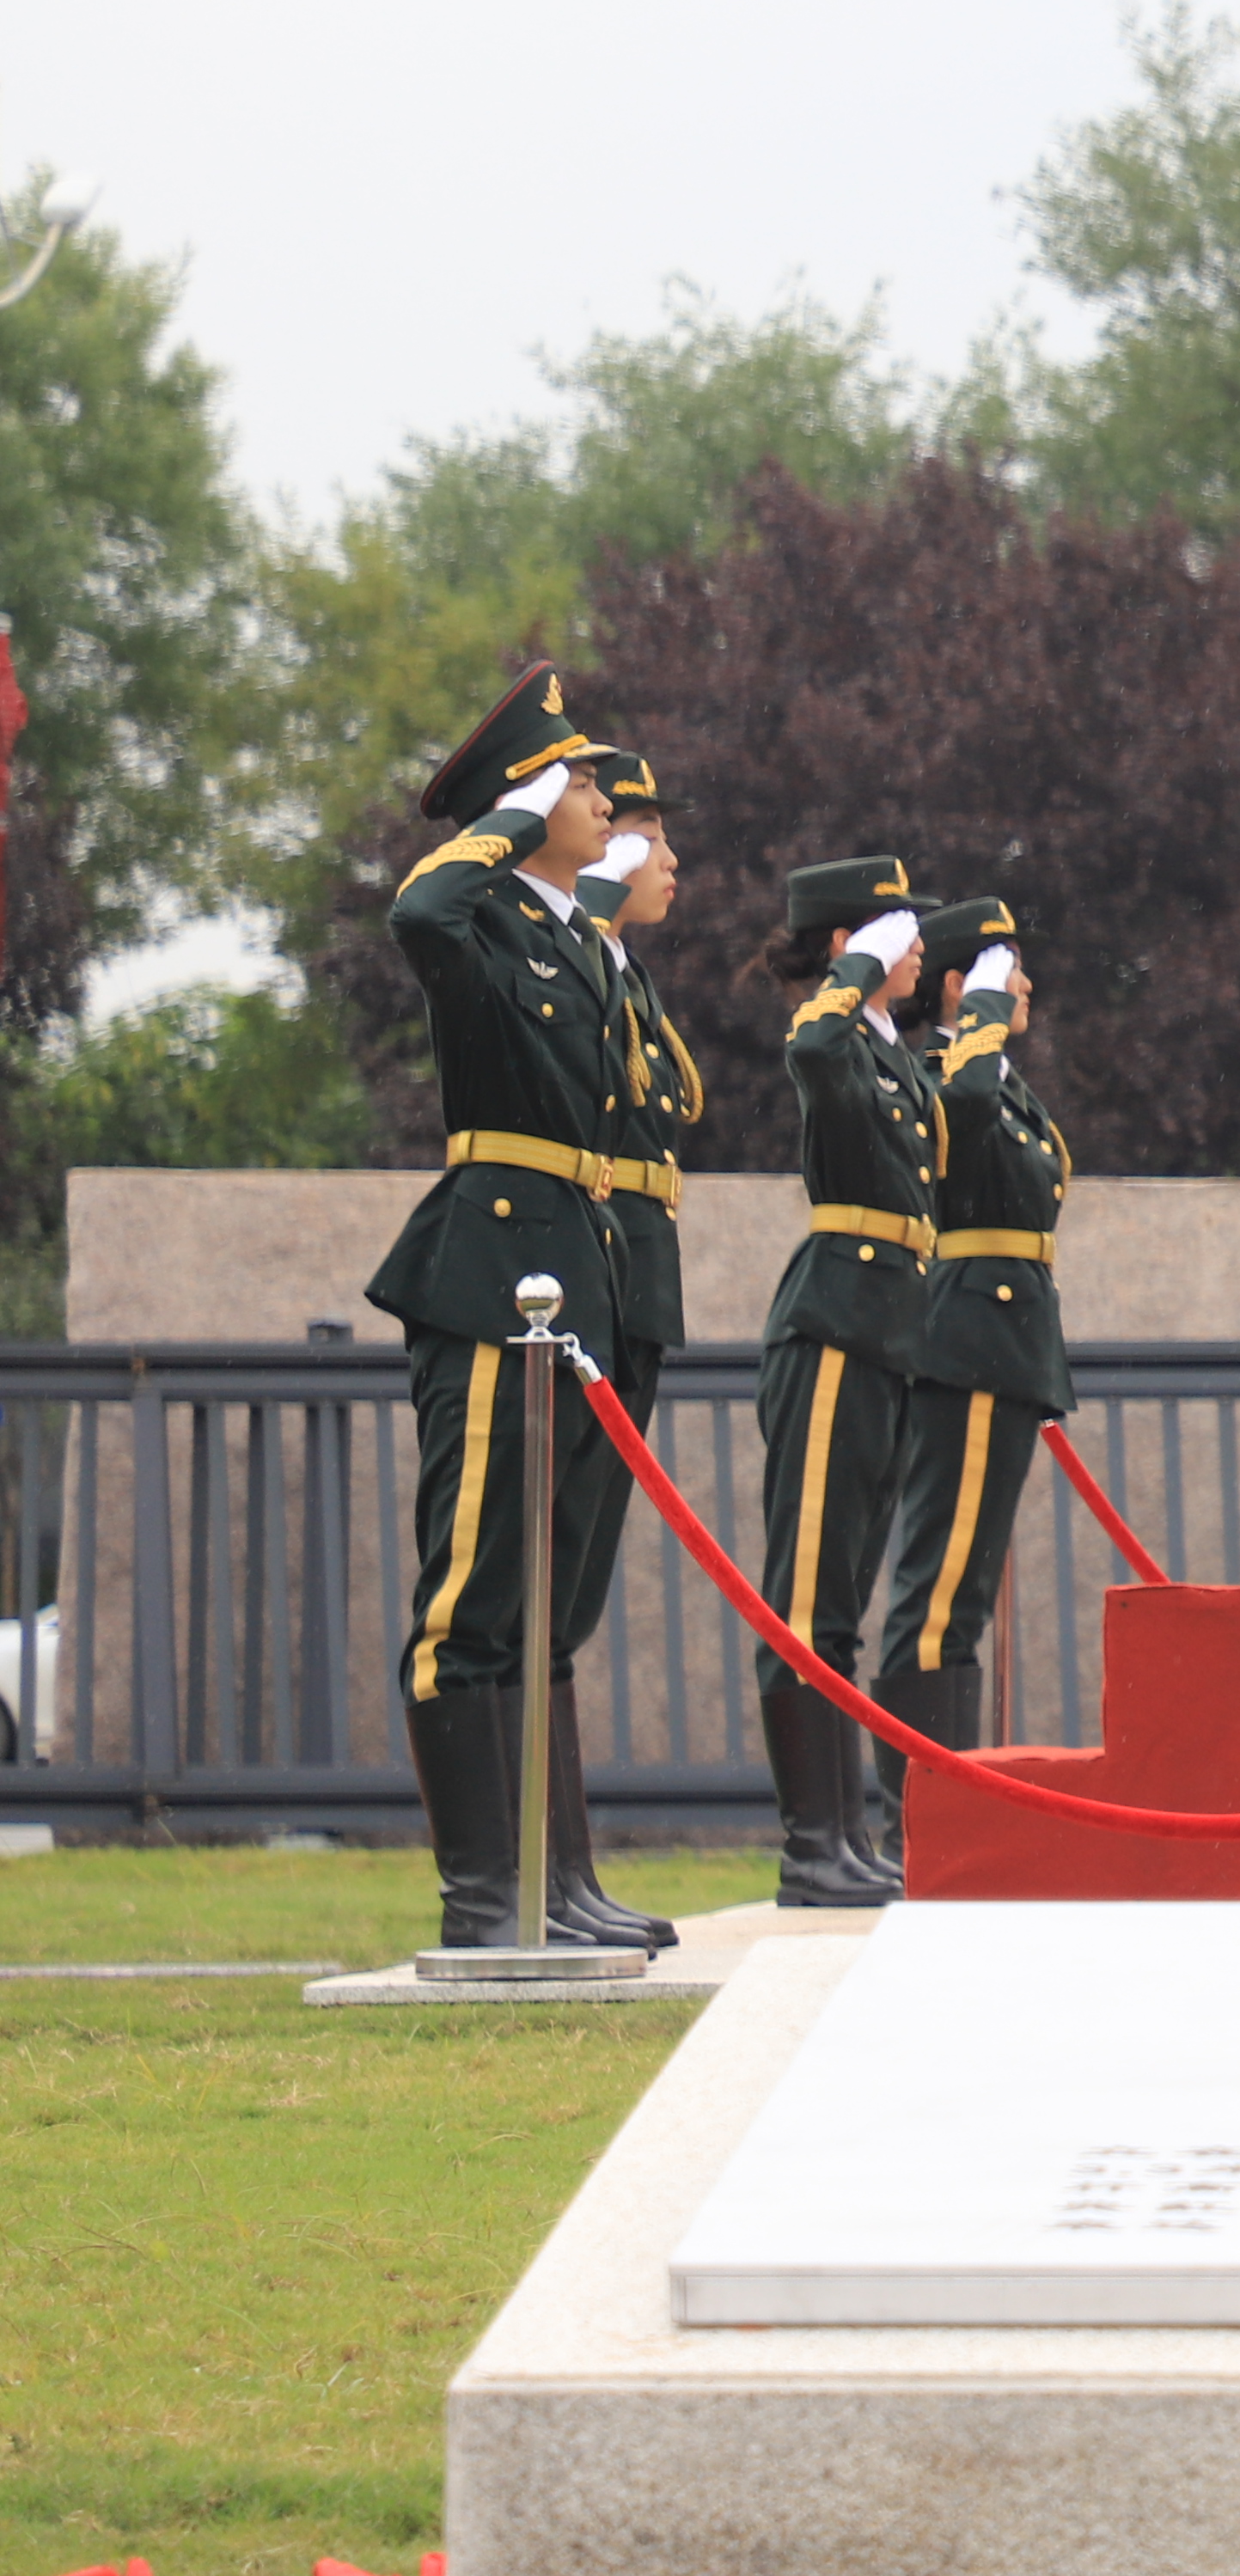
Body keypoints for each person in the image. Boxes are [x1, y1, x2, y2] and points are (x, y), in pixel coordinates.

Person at [357, 666, 632, 1954]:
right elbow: (416, 907)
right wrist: (510, 820)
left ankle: (541, 1888)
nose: (596, 797)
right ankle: (484, 1902)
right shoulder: (478, 919)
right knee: (469, 1593)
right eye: (573, 778)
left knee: (532, 1602)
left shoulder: (574, 940)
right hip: (491, 1264)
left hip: (573, 1263)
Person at [749, 857, 940, 1908]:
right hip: (831, 1327)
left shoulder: (892, 1056)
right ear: (846, 947)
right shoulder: (834, 1037)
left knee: (844, 1600)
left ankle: (846, 1834)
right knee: (806, 1594)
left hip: (889, 1331)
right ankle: (809, 1842)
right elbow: (811, 1039)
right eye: (896, 931)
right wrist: (850, 973)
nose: (917, 948)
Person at [870, 894, 1070, 1866]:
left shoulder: (991, 1076)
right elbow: (963, 1109)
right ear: (960, 986)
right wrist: (978, 1026)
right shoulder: (943, 1070)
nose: (1023, 985)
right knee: (941, 1582)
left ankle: (944, 1800)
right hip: (969, 1331)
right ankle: (910, 1807)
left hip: (1005, 1332)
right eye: (1003, 969)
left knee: (963, 1584)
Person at [541, 743, 698, 1950]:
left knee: (577, 1586)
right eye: (651, 841)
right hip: (589, 1271)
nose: (670, 864)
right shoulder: (580, 960)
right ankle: (547, 1878)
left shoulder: (626, 975)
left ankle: (569, 1875)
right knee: (547, 1583)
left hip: (635, 1280)